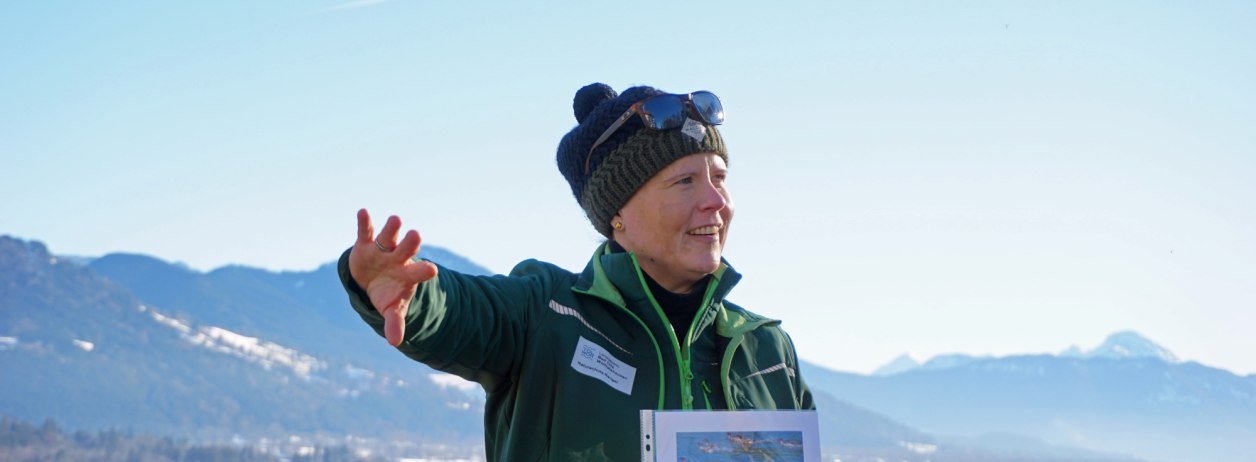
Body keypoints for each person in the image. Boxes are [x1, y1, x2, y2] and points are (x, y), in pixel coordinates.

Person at [339, 82, 815, 461]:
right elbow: (458, 309)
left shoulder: (766, 350)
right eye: (685, 181)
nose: (715, 201)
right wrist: (407, 295)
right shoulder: (545, 315)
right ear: (618, 215)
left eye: (721, 178)